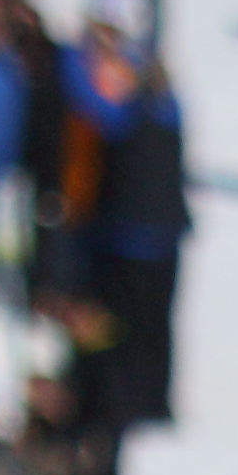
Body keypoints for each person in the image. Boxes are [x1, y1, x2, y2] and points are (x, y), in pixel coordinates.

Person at [65, 32, 192, 439]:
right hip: (165, 238)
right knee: (159, 326)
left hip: (128, 240)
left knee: (124, 329)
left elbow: (88, 101)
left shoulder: (129, 117)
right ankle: (156, 402)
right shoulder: (171, 111)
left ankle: (128, 403)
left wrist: (74, 55)